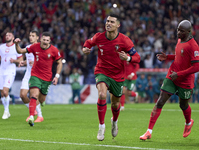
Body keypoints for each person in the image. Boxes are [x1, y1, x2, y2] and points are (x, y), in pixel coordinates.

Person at [82, 13, 140, 141]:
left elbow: (137, 58)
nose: (108, 23)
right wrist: (85, 48)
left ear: (118, 25)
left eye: (112, 22)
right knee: (102, 95)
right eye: (107, 21)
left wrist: (128, 58)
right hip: (102, 71)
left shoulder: (124, 40)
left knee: (115, 104)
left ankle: (114, 121)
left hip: (118, 75)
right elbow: (88, 43)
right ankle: (101, 126)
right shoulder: (99, 37)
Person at [140, 20, 199, 140]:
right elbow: (179, 56)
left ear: (188, 32)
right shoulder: (179, 40)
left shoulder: (193, 46)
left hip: (185, 81)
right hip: (172, 76)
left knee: (183, 105)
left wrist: (180, 74)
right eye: (178, 29)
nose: (178, 32)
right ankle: (148, 131)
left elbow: (196, 66)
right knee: (160, 101)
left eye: (181, 31)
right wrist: (168, 57)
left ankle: (188, 122)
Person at [14, 32, 62, 126]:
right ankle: (31, 116)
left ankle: (41, 104)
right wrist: (16, 44)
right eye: (44, 40)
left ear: (50, 41)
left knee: (41, 99)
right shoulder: (34, 47)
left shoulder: (54, 50)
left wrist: (57, 76)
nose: (45, 42)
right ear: (41, 39)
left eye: (47, 40)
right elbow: (20, 51)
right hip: (35, 75)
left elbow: (59, 63)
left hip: (47, 78)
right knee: (33, 95)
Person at [19, 30, 44, 123]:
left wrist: (35, 63)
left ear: (37, 37)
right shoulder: (28, 47)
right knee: (22, 95)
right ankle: (33, 110)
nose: (30, 37)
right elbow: (29, 60)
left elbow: (45, 63)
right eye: (30, 35)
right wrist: (23, 62)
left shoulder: (41, 48)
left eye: (33, 36)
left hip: (36, 75)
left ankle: (40, 116)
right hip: (27, 75)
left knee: (33, 96)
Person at [0, 32, 23, 119]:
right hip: (1, 71)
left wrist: (14, 61)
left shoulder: (15, 47)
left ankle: (6, 111)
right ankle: (7, 111)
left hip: (10, 71)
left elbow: (21, 59)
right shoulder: (1, 47)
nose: (7, 36)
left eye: (9, 35)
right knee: (2, 93)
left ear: (13, 38)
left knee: (5, 91)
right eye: (6, 35)